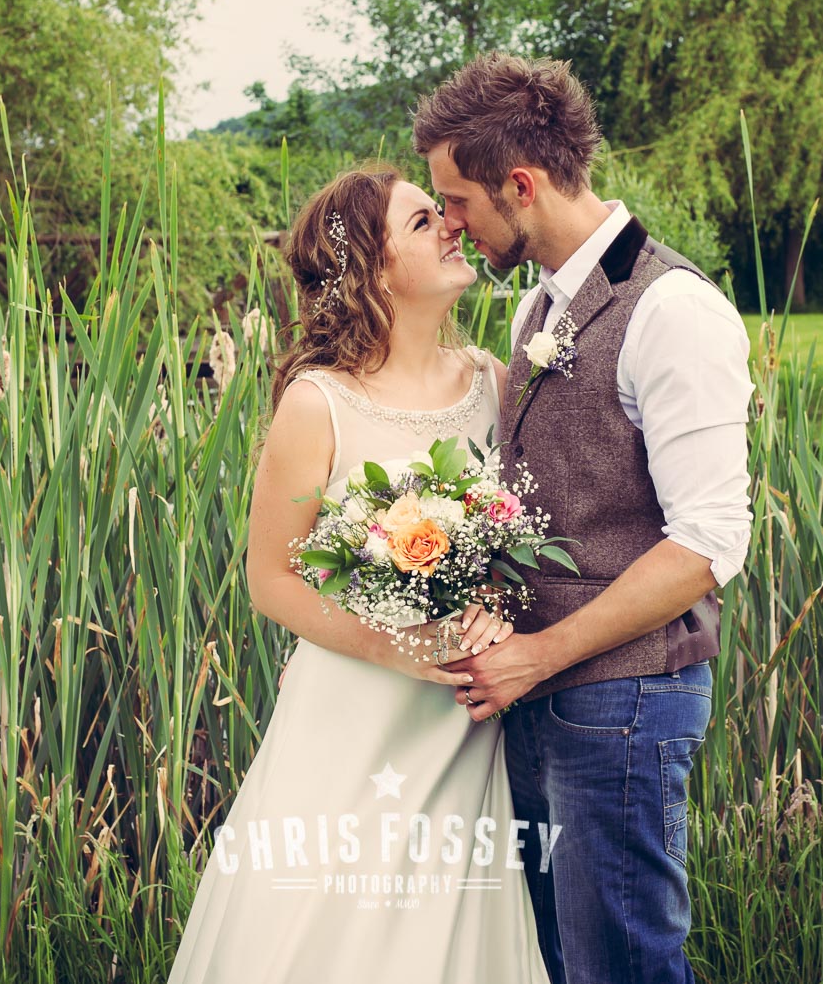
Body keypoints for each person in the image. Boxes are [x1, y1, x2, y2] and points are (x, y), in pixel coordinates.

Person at [165, 166, 553, 984]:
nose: (452, 225)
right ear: (373, 273)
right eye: (422, 222)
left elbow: (516, 536)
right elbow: (271, 578)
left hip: (462, 721)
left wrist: (490, 605)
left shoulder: (492, 381)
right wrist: (397, 648)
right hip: (352, 711)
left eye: (441, 212)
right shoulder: (319, 404)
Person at [417, 53, 755, 984]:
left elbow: (708, 543)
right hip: (544, 698)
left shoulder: (674, 312)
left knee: (624, 964)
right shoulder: (538, 306)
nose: (450, 221)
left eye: (457, 200)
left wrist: (538, 656)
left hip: (627, 703)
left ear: (521, 186)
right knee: (565, 964)